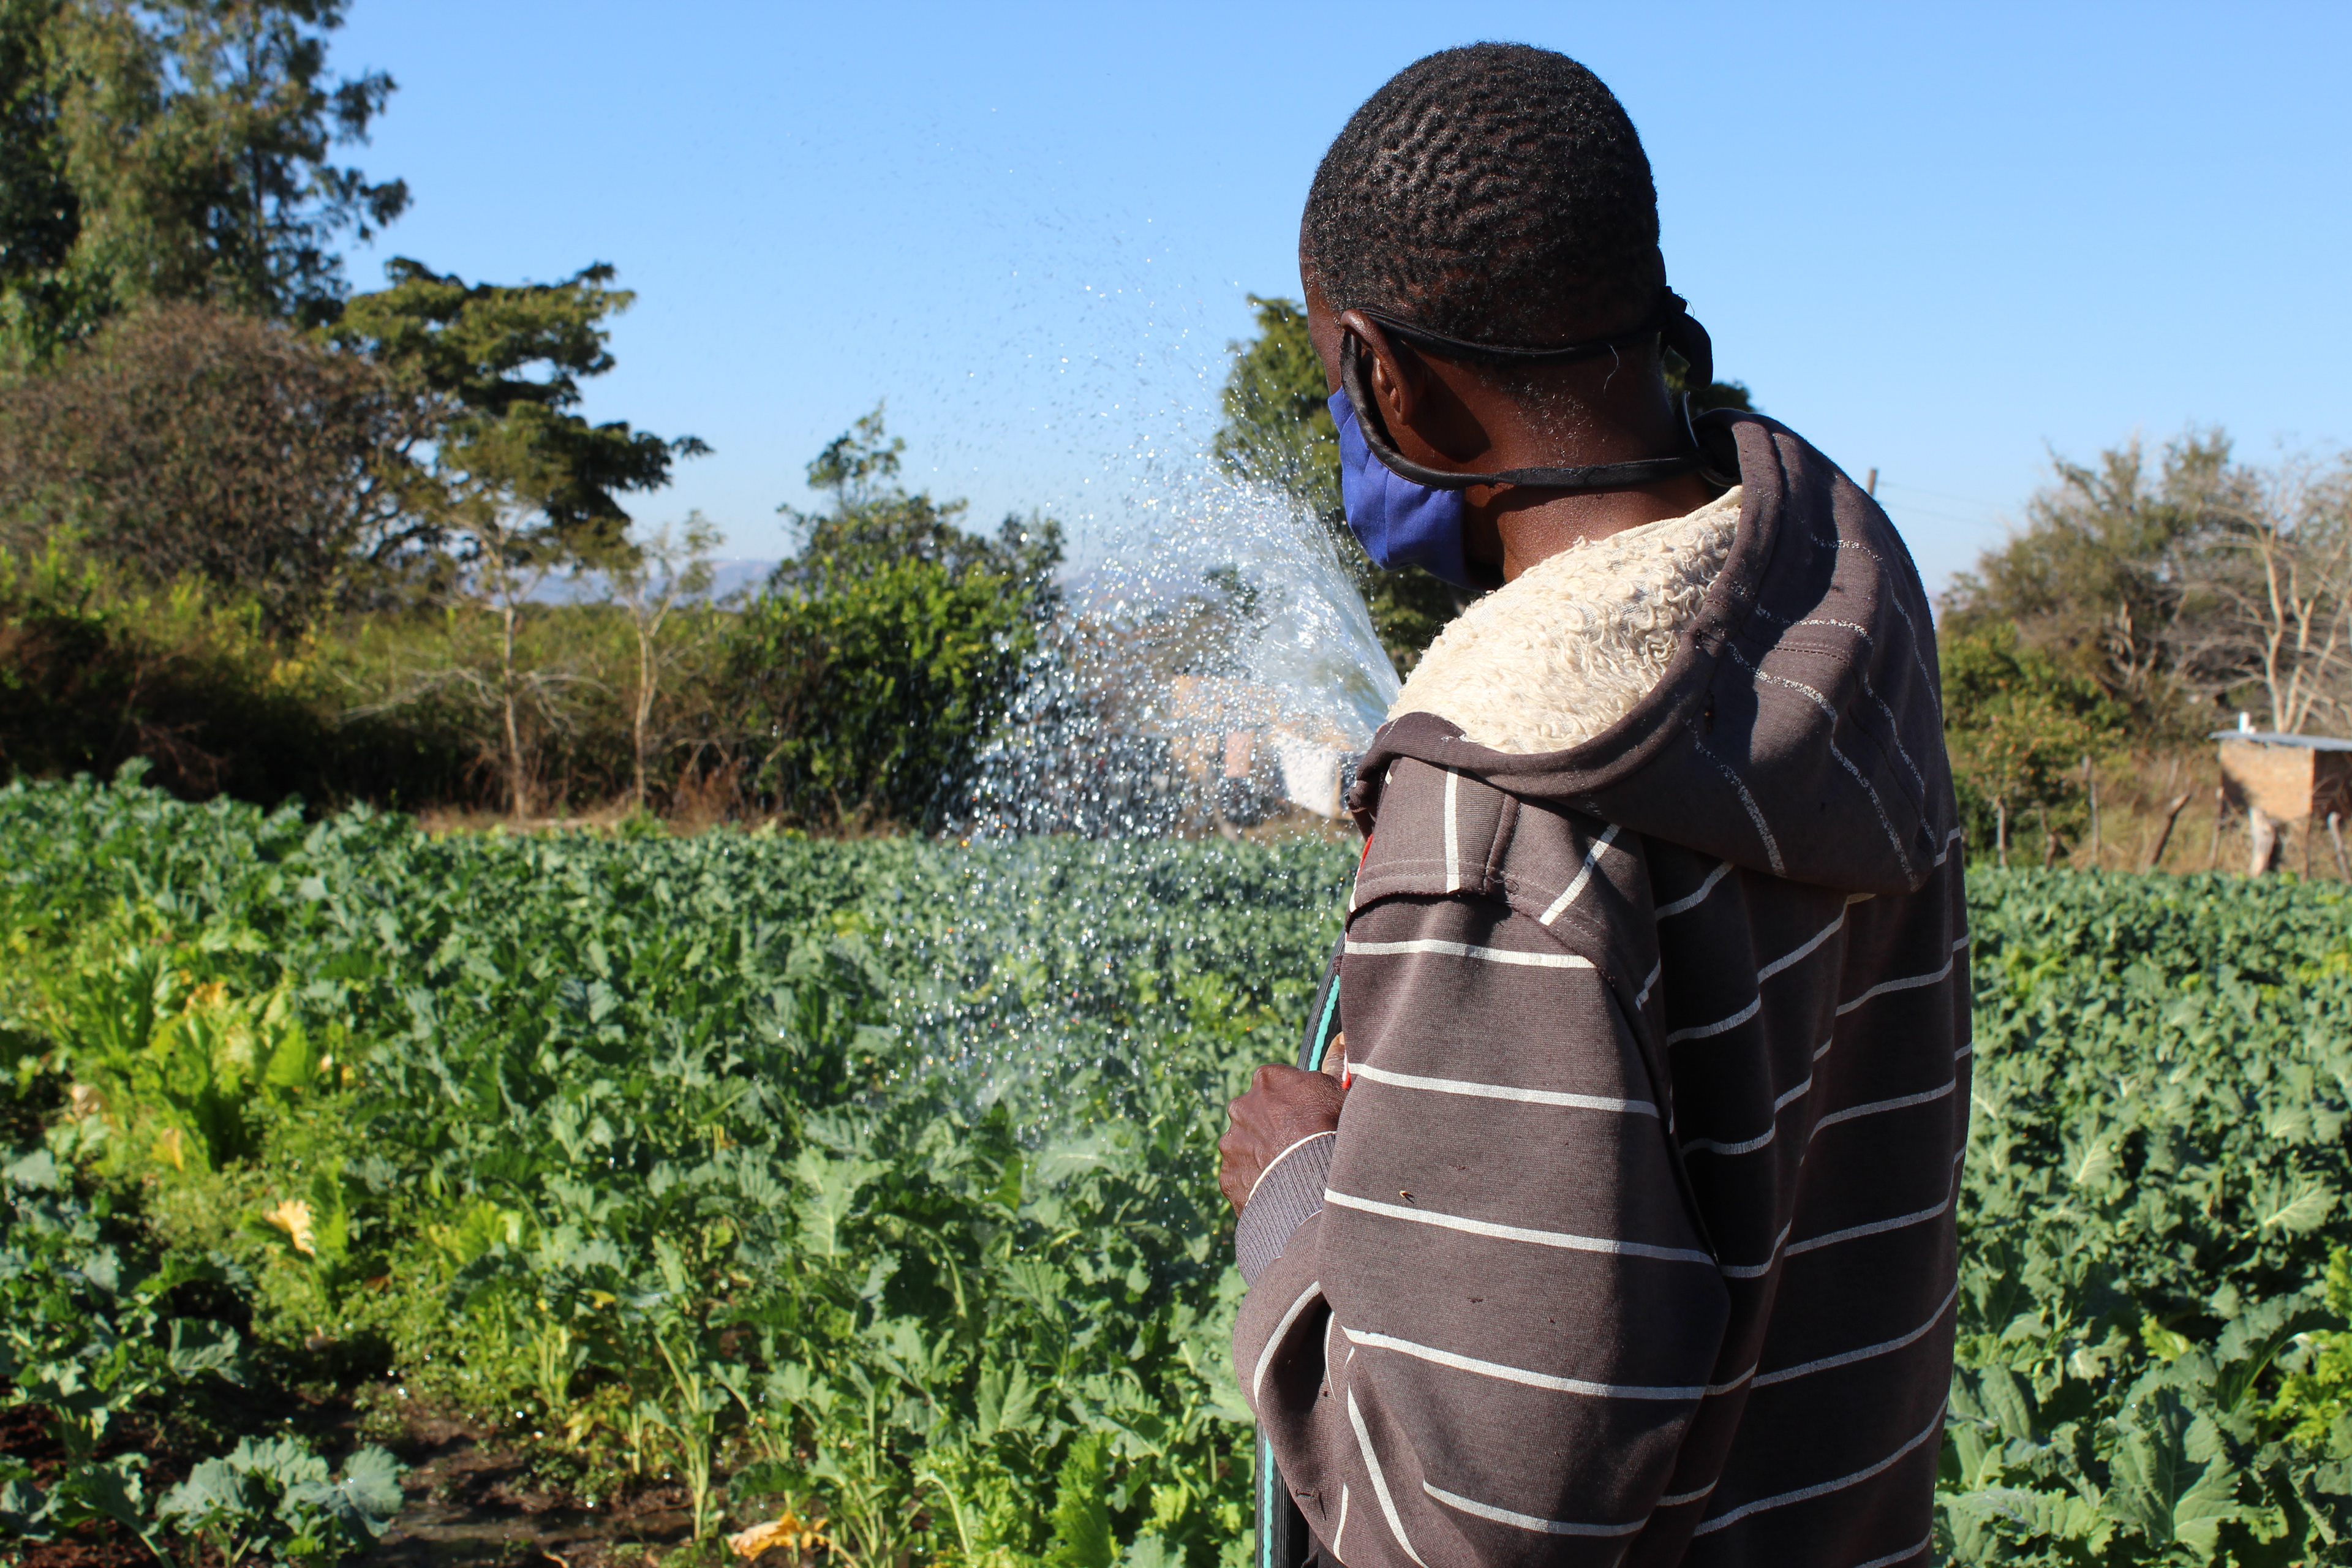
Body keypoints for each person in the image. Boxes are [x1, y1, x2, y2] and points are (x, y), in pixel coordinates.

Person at [1218, 43, 1967, 1567]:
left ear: (1385, 374)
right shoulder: (1842, 605)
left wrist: (1296, 1194)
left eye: (1335, 380)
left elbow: (1468, 1527)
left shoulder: (1502, 815)